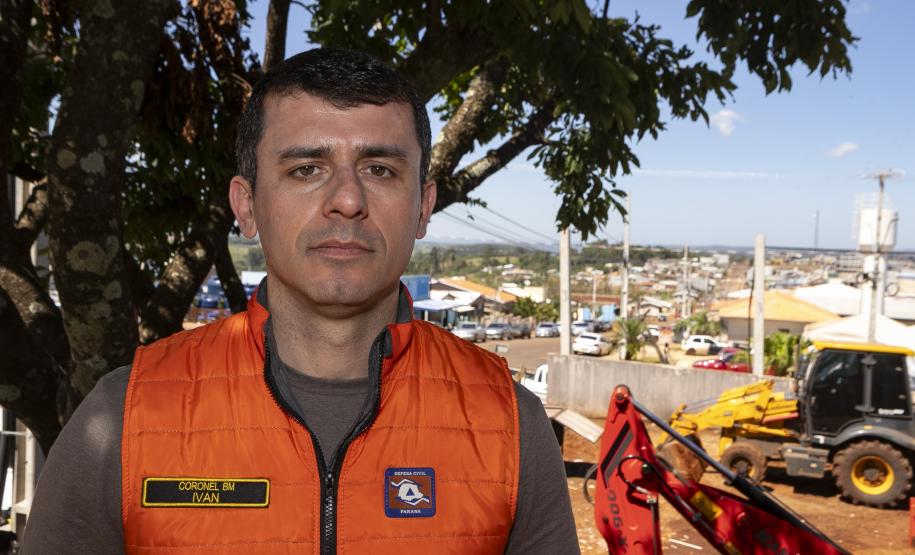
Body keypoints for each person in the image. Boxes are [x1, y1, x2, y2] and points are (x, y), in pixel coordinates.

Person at [22, 48, 579, 554]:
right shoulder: (123, 417)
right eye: (306, 169)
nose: (347, 199)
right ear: (247, 206)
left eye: (380, 169)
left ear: (423, 207)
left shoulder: (509, 424)